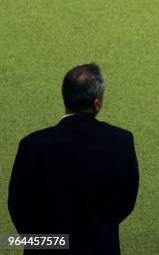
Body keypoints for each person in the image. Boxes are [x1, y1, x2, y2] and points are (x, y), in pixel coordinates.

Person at [8, 63, 139, 254]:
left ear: (65, 98)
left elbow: (19, 205)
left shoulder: (32, 145)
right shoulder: (120, 140)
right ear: (97, 103)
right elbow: (125, 200)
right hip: (100, 245)